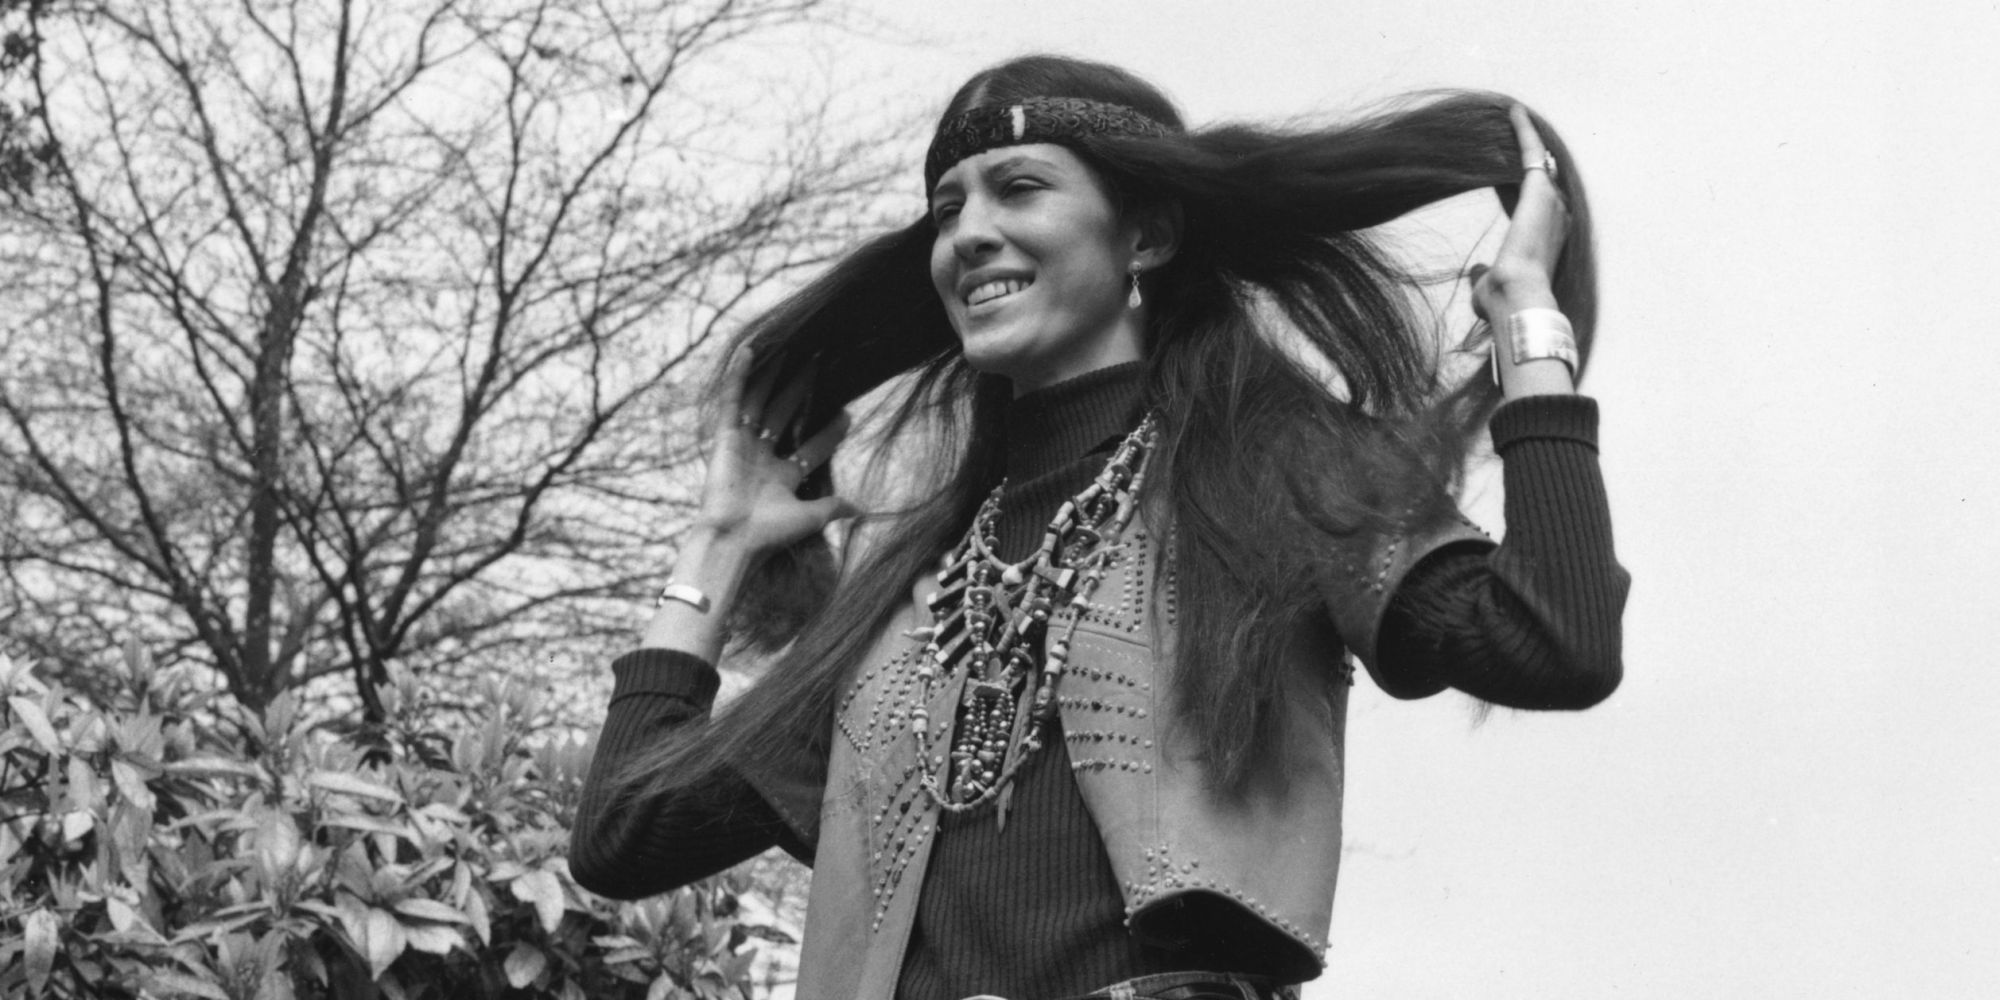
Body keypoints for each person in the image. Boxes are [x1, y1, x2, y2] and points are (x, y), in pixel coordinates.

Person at [571, 54, 1628, 1000]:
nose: (967, 233)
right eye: (945, 209)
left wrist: (1529, 331)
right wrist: (721, 538)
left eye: (1019, 187)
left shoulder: (1271, 467)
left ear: (1146, 235)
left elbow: (1552, 638)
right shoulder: (904, 598)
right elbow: (623, 834)